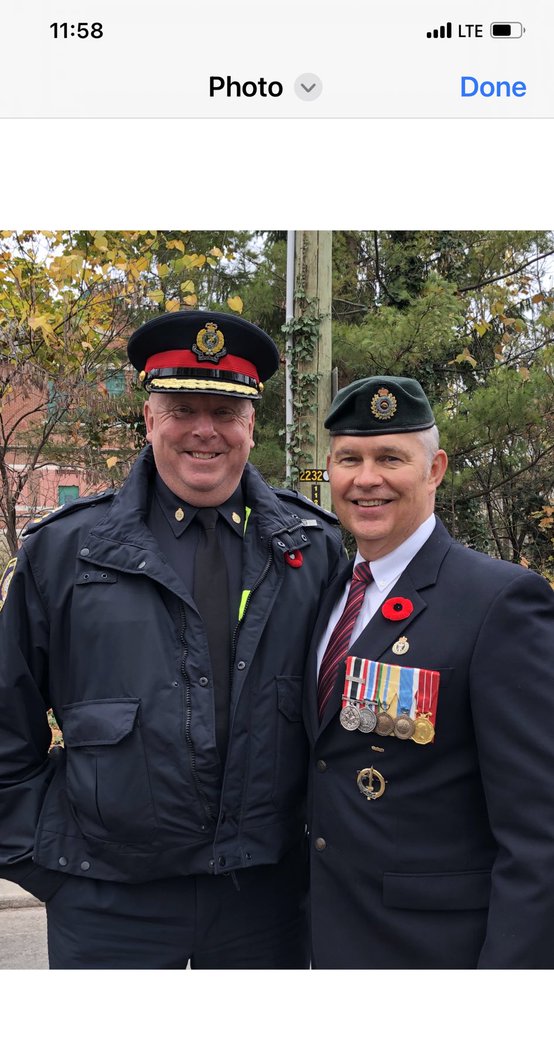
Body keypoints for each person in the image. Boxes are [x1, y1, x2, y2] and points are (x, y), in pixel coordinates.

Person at [0, 310, 344, 969]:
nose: (204, 431)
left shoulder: (312, 547)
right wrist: (50, 867)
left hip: (264, 901)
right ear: (149, 418)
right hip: (108, 903)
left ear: (251, 425)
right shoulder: (69, 549)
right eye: (183, 408)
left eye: (225, 410)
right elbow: (7, 722)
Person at [304, 375, 554, 969]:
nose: (367, 479)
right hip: (324, 938)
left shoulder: (500, 602)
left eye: (391, 457)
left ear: (435, 469)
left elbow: (539, 831)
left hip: (435, 953)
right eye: (349, 459)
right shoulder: (330, 594)